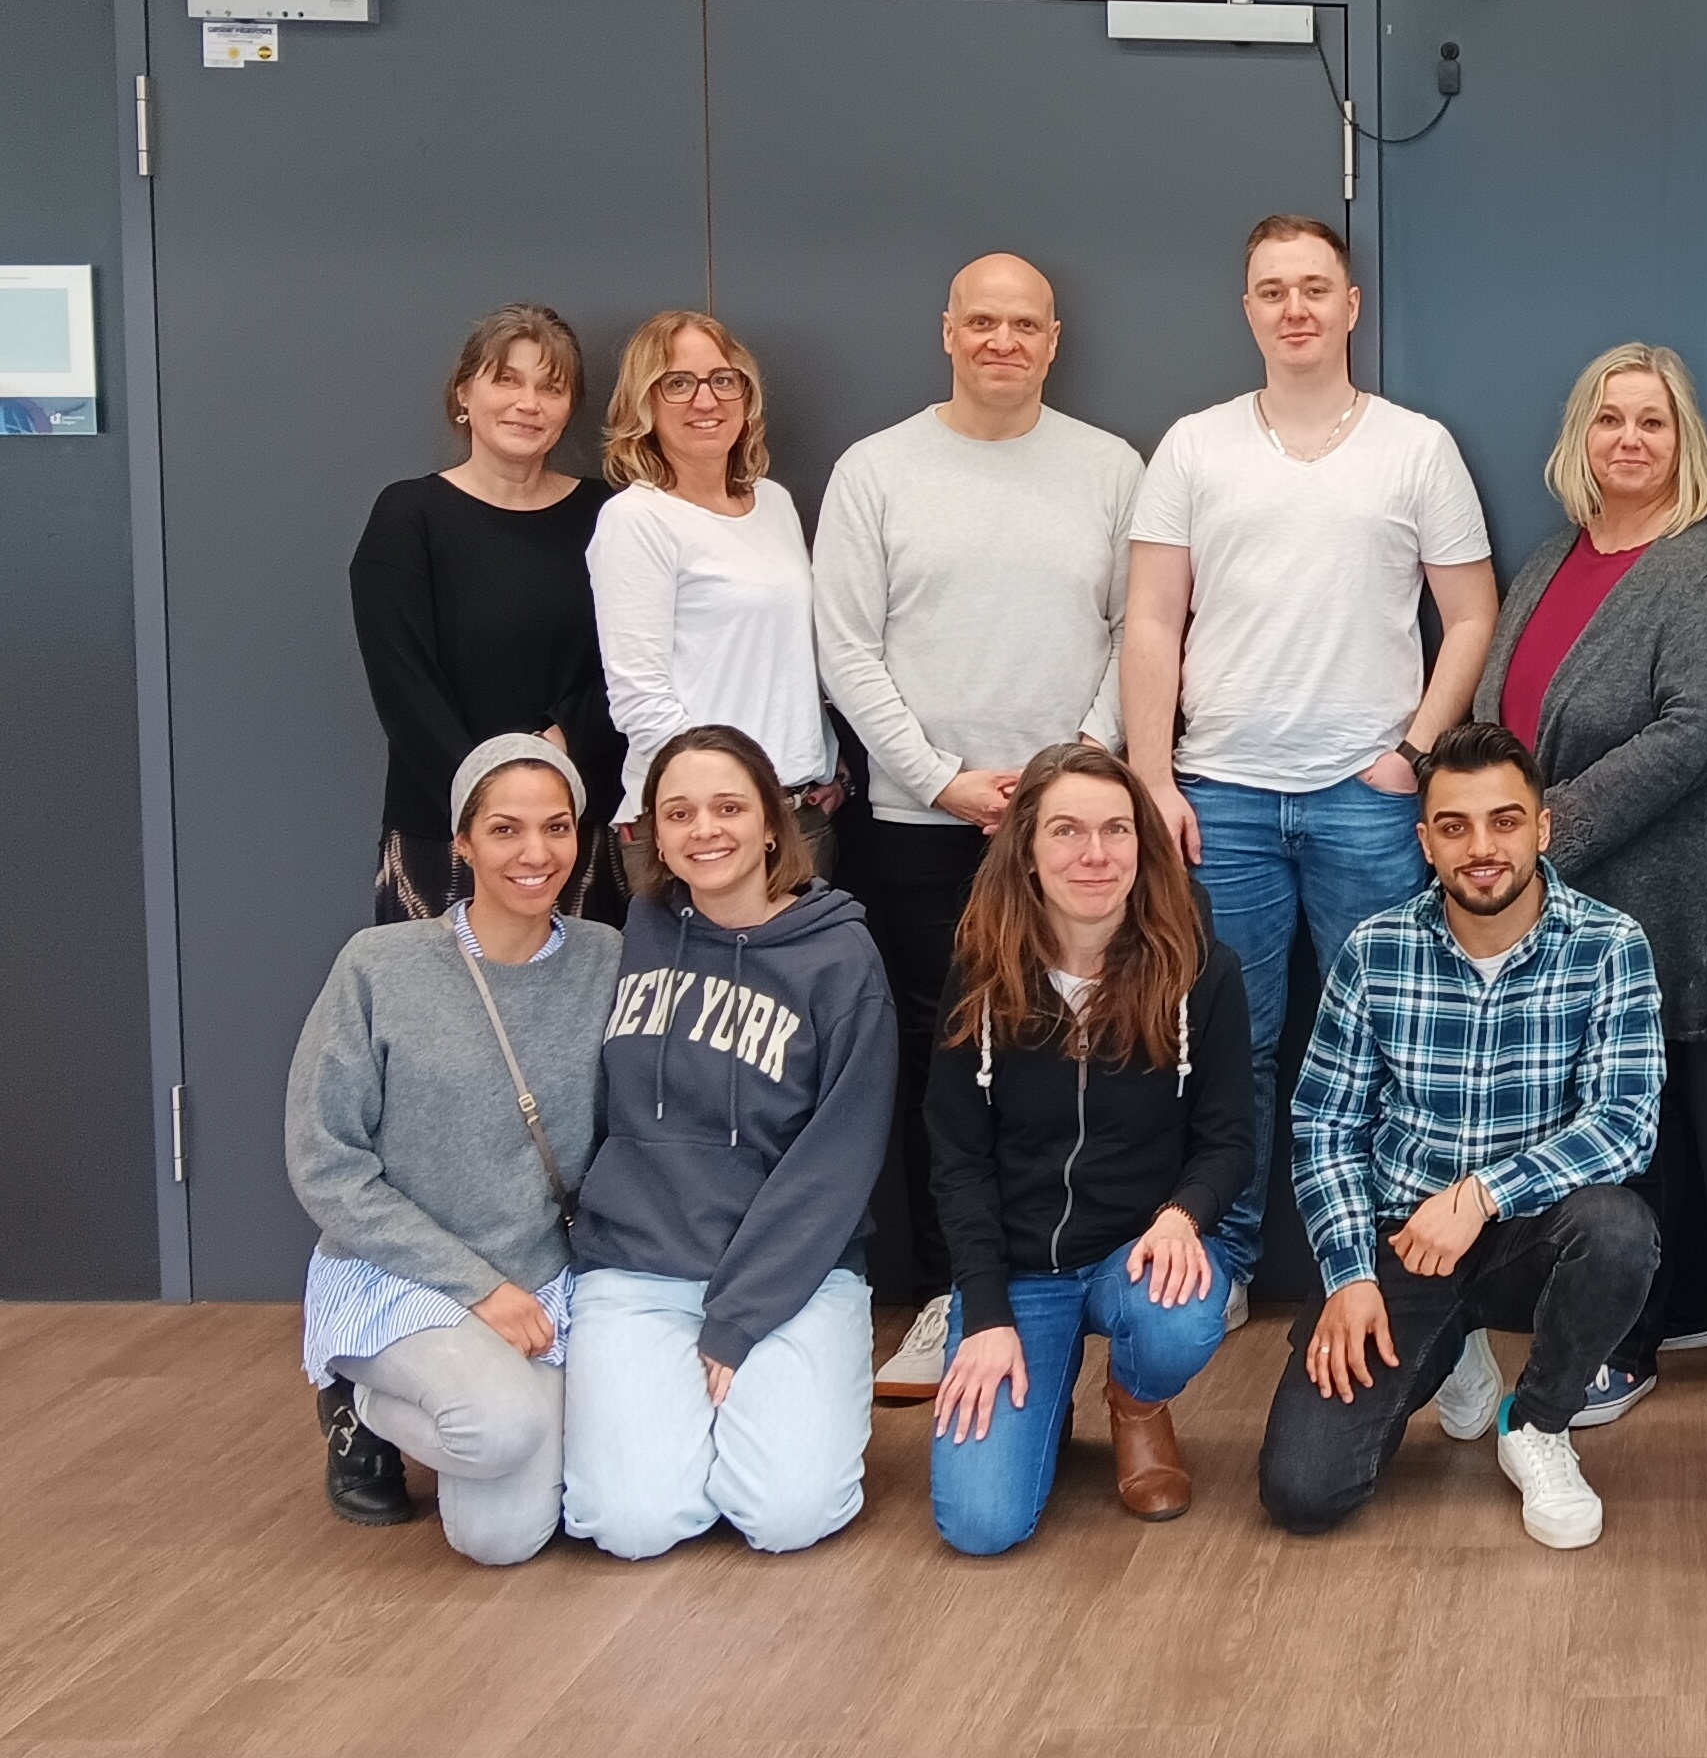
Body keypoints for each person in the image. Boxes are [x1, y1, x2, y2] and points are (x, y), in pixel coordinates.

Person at [1123, 215, 1497, 1262]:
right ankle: (1226, 1257)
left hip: (1366, 802)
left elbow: (1473, 614)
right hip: (1219, 797)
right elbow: (1150, 618)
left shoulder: (1416, 447)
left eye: (1314, 288)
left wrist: (1414, 756)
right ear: (1247, 309)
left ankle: (1390, 1264)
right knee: (1227, 1047)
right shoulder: (1193, 445)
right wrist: (1152, 777)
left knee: (1389, 1041)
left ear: (1350, 305)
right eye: (1273, 290)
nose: (1295, 308)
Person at [813, 253, 1152, 1403]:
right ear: (947, 331)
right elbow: (845, 645)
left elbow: (1138, 629)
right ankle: (949, 1296)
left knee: (1076, 1058)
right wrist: (939, 776)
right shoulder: (875, 470)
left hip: (1072, 830)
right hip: (920, 820)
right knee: (939, 1063)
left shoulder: (1109, 467)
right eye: (982, 322)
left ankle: (1075, 1297)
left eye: (1024, 324)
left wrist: (1072, 776)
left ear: (1053, 340)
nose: (1002, 340)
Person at [1257, 724, 1663, 1551]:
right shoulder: (1375, 950)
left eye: (1504, 821)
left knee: (1619, 1230)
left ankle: (1537, 1421)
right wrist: (1347, 1277)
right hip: (1404, 1240)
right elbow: (1325, 1125)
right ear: (1425, 842)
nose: (1481, 848)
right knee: (1303, 1491)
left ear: (1541, 829)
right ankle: (1451, 1348)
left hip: (1534, 1235)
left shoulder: (1609, 944)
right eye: (1454, 827)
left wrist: (1481, 1196)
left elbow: (1624, 1124)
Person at [1472, 344, 1707, 1420]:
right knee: (1644, 1108)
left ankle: (1624, 1342)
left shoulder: (1704, 567)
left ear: (1684, 441)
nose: (1630, 439)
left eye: (1653, 421)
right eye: (1610, 419)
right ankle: (1680, 1302)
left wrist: (1547, 828)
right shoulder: (1556, 555)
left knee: (1622, 1111)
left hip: (1663, 889)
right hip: (1564, 888)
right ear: (1581, 436)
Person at [561, 724, 893, 1558]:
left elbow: (839, 1160)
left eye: (728, 808)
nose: (704, 829)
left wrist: (739, 1319)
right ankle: (687, 1438)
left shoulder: (840, 957)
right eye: (679, 813)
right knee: (631, 1523)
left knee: (788, 1516)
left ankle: (733, 1425)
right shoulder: (635, 933)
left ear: (772, 823)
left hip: (794, 1276)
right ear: (654, 833)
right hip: (637, 1267)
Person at [287, 735, 621, 1562]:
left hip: (547, 1284)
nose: (535, 853)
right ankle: (359, 1403)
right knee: (501, 1429)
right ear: (462, 842)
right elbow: (327, 1161)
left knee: (499, 1539)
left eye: (556, 828)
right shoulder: (379, 965)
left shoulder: (609, 959)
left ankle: (502, 1409)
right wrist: (477, 1287)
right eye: (505, 829)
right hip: (403, 1274)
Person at [924, 744, 1253, 1554]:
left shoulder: (1202, 971)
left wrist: (1183, 1216)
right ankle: (1041, 1394)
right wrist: (985, 1314)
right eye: (1066, 831)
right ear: (1027, 851)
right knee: (981, 1524)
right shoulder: (980, 974)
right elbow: (957, 1161)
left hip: (1137, 1256)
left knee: (1177, 1319)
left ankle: (1135, 1404)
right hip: (1019, 1273)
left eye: (1116, 830)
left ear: (1144, 846)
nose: (1094, 854)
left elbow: (1229, 1139)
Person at [351, 306, 624, 924]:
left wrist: (561, 747)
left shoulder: (608, 515)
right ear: (463, 394)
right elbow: (403, 687)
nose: (529, 403)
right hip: (444, 831)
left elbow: (637, 662)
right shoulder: (408, 517)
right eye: (507, 380)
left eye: (551, 387)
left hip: (573, 826)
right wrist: (490, 802)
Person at [587, 310, 840, 887]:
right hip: (699, 827)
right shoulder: (637, 519)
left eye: (723, 379)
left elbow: (791, 657)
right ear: (644, 404)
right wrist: (722, 806)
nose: (706, 399)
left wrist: (827, 763)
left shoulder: (773, 502)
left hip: (798, 817)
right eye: (678, 383)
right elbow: (640, 698)